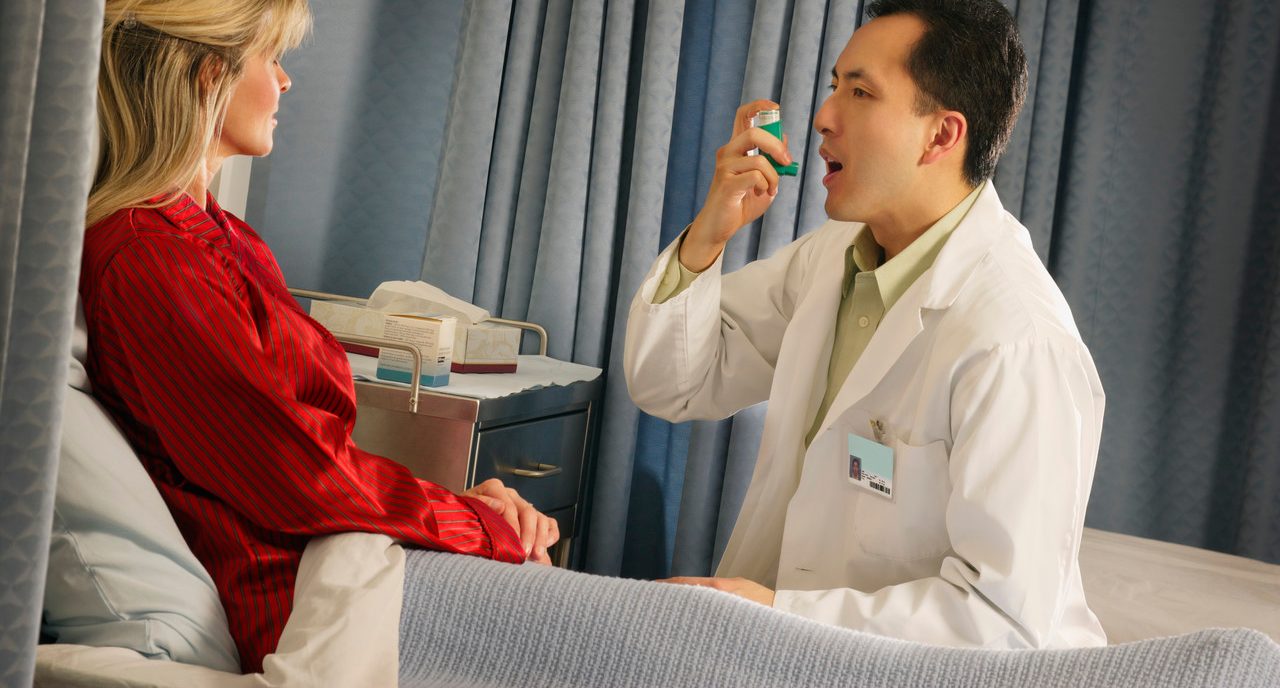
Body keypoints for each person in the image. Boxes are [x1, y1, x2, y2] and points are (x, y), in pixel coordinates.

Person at [82, 0, 557, 673]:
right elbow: (297, 476)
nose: (285, 82)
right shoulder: (147, 260)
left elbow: (310, 456)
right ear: (206, 74)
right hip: (300, 596)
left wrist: (465, 511)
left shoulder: (223, 238)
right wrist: (478, 526)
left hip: (343, 557)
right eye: (271, 59)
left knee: (709, 615)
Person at [626, 0, 1109, 648]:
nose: (824, 117)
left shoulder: (1017, 342)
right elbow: (671, 384)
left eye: (859, 93)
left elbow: (1001, 623)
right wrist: (707, 238)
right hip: (773, 653)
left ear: (941, 135)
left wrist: (775, 612)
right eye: (833, 88)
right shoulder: (832, 257)